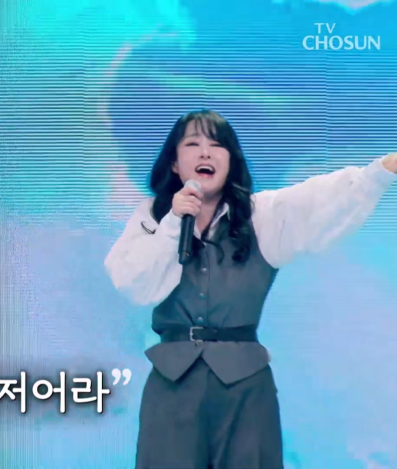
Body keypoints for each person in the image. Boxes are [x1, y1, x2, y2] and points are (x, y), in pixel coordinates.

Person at [104, 109, 397, 469]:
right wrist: (174, 222)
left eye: (217, 145)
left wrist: (382, 170)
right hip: (172, 382)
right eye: (193, 144)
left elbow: (319, 199)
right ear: (175, 164)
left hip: (244, 385)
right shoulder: (153, 216)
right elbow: (133, 283)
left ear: (231, 162)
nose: (205, 152)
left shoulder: (262, 215)